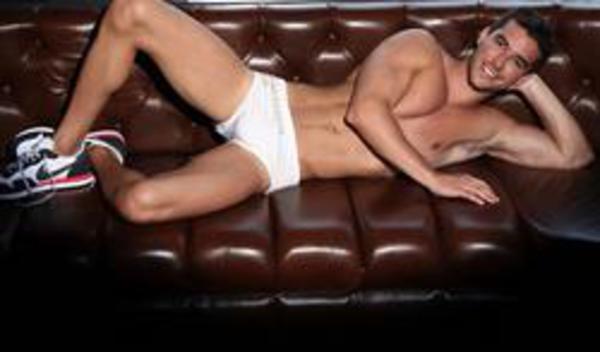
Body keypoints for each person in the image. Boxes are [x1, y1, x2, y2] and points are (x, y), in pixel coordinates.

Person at [0, 1, 594, 222]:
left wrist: (534, 86)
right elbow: (366, 114)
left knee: (139, 204)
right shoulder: (418, 47)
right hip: (262, 99)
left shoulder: (489, 128)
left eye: (517, 62)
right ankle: (59, 152)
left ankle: (100, 153)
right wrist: (434, 179)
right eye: (500, 42)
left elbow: (574, 156)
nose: (499, 62)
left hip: (277, 163)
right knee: (134, 10)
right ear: (483, 33)